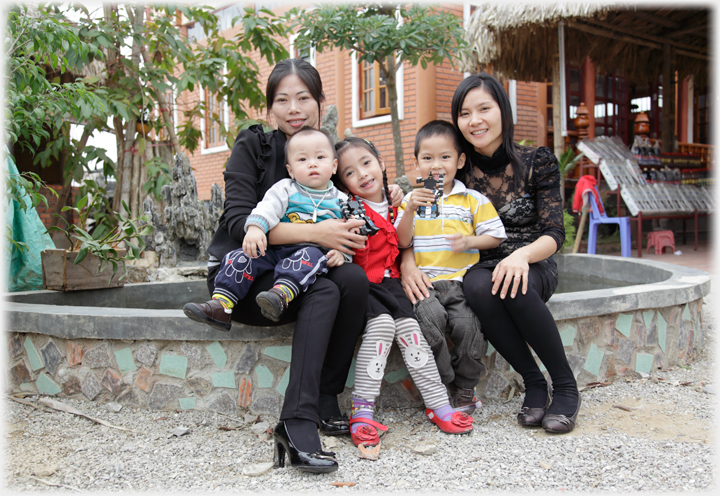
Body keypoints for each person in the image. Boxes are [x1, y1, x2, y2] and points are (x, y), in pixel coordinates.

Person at [198, 59, 399, 474]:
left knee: (352, 280)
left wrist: (393, 194)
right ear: (270, 107)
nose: (294, 108)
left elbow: (362, 201)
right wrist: (320, 234)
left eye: (304, 98)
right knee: (326, 288)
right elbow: (238, 225)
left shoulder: (326, 151)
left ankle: (321, 402)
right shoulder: (253, 146)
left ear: (320, 102)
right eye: (282, 99)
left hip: (302, 271)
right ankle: (301, 418)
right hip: (245, 276)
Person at [401, 72, 581, 434]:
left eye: (484, 108)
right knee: (479, 286)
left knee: (512, 282)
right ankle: (533, 383)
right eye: (465, 113)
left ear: (503, 110)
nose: (475, 120)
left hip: (531, 259)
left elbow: (554, 233)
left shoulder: (537, 161)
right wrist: (407, 262)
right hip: (479, 267)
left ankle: (564, 386)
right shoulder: (456, 166)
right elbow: (416, 222)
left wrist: (521, 257)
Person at [334, 136, 474, 447]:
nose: (362, 174)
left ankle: (439, 406)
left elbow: (402, 241)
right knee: (382, 327)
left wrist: (404, 207)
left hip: (393, 285)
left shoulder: (397, 203)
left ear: (381, 163)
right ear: (342, 182)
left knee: (412, 332)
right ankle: (362, 411)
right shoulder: (348, 208)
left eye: (367, 163)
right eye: (350, 172)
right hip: (365, 285)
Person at [394, 120, 506, 415]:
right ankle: (440, 385)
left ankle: (466, 387)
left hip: (460, 282)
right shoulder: (411, 200)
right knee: (429, 322)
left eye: (445, 157)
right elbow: (401, 241)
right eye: (427, 158)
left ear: (459, 161)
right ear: (417, 163)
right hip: (424, 285)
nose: (437, 165)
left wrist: (470, 240)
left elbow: (495, 236)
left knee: (469, 327)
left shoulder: (471, 199)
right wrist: (409, 210)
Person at [183, 127, 347, 329]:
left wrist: (341, 253)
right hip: (275, 249)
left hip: (312, 252)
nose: (312, 163)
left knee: (308, 257)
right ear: (290, 170)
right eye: (302, 160)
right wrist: (255, 228)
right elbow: (267, 208)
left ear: (334, 166)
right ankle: (221, 305)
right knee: (241, 256)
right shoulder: (286, 188)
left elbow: (351, 232)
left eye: (320, 157)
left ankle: (279, 296)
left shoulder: (342, 200)